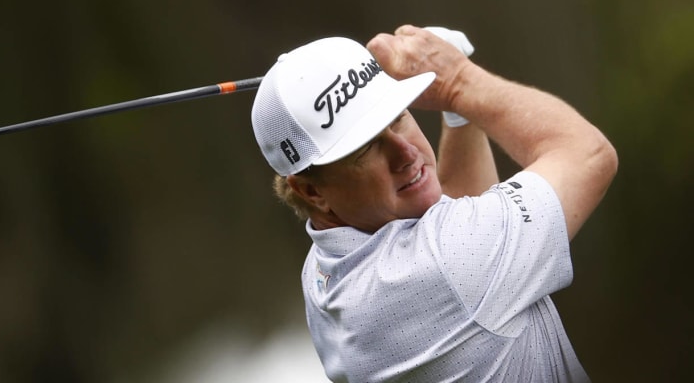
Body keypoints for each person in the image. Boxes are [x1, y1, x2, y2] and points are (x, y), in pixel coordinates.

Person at [250, 25, 617, 382]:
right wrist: (458, 81)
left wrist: (459, 116)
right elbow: (588, 155)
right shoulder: (441, 266)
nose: (406, 153)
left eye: (398, 117)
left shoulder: (322, 271)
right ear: (312, 192)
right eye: (366, 148)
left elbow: (454, 223)